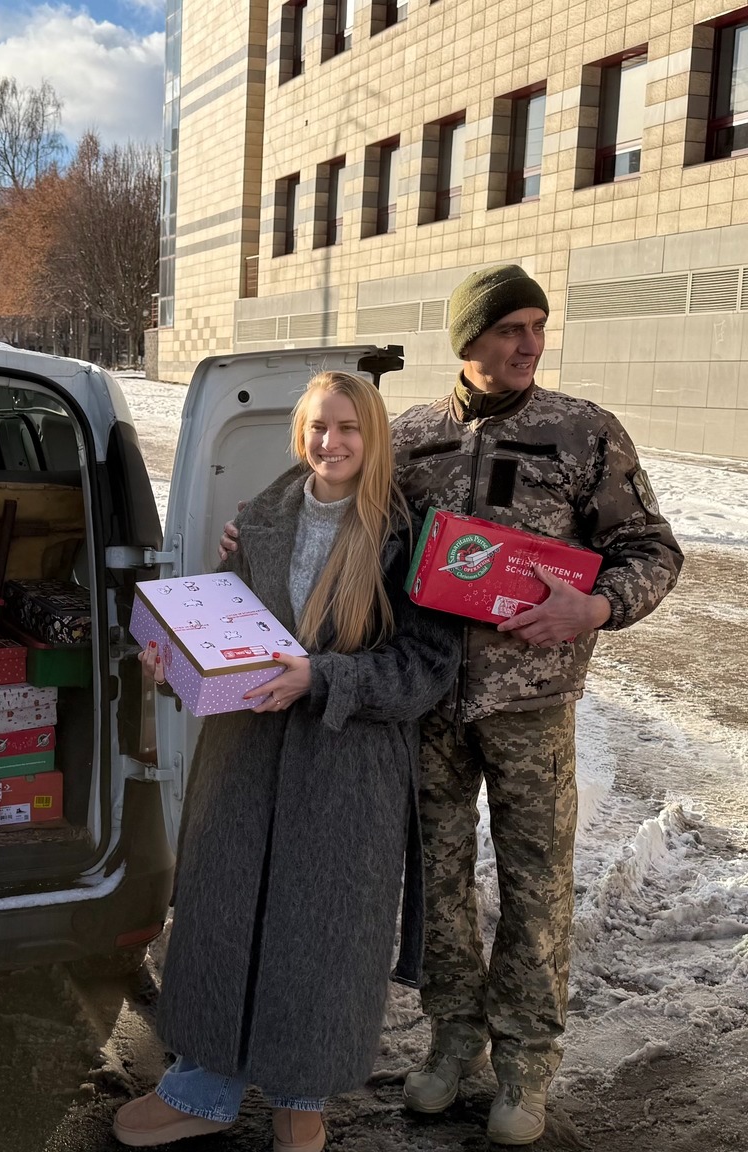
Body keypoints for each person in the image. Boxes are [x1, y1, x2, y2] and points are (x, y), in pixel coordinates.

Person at [219, 265, 683, 1146]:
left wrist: (595, 608)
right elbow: (348, 519)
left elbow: (651, 550)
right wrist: (258, 534)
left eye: (538, 325)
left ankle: (525, 1066)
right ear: (469, 338)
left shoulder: (582, 432)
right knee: (438, 881)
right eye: (511, 328)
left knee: (536, 883)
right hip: (425, 702)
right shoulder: (412, 437)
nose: (530, 343)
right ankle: (452, 1041)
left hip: (530, 703)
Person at [113, 371, 459, 1152]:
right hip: (243, 760)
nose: (330, 442)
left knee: (323, 936)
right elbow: (224, 632)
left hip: (348, 769)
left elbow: (426, 669)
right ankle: (202, 1090)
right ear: (299, 432)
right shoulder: (259, 520)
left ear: (373, 437)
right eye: (318, 426)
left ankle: (302, 1098)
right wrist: (173, 664)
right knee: (222, 920)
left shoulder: (409, 537)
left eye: (348, 427)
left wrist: (321, 677)